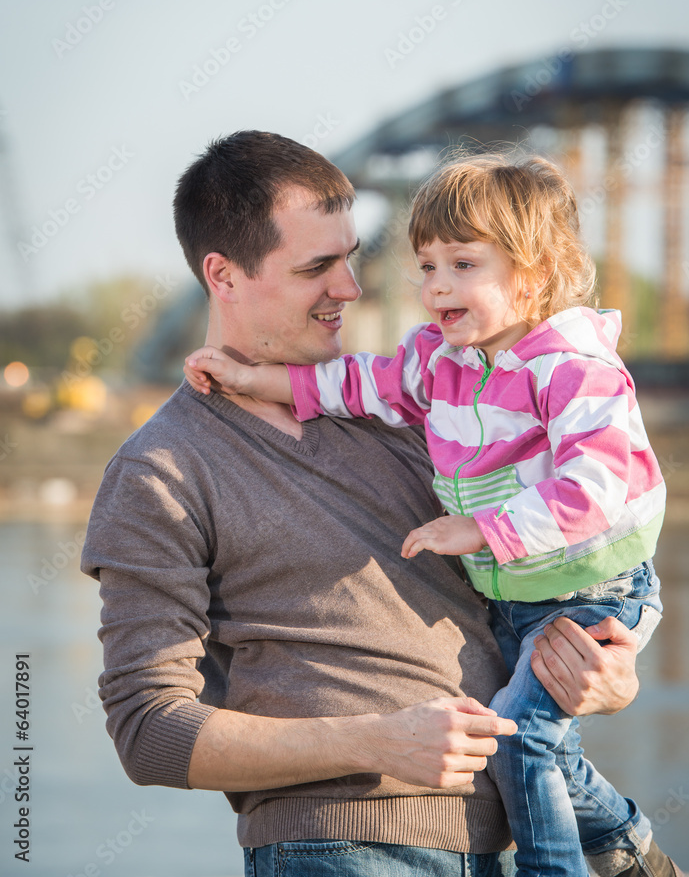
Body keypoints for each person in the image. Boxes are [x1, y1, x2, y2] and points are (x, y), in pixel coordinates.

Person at [82, 132, 670, 877]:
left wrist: (606, 678)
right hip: (342, 848)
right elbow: (148, 732)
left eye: (351, 258)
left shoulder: (435, 412)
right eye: (316, 268)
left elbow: (548, 559)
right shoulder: (161, 469)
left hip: (498, 842)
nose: (351, 289)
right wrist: (374, 741)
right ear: (223, 275)